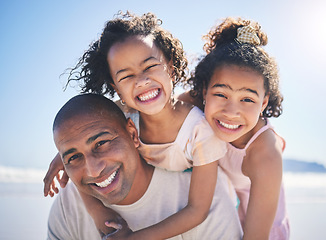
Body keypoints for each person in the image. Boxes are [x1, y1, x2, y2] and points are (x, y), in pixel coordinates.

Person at [44, 12, 230, 239]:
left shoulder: (200, 133)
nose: (141, 81)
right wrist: (64, 160)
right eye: (126, 76)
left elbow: (197, 210)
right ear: (117, 88)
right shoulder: (125, 113)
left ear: (170, 68)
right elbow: (81, 133)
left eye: (150, 66)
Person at [48, 93, 243, 239]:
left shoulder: (207, 198)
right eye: (73, 157)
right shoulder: (69, 204)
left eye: (101, 143)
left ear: (133, 134)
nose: (93, 170)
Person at [185, 17, 290, 240]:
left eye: (247, 100)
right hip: (222, 207)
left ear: (263, 103)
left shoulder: (265, 153)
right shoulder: (196, 102)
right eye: (221, 94)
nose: (231, 111)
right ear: (204, 91)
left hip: (260, 225)